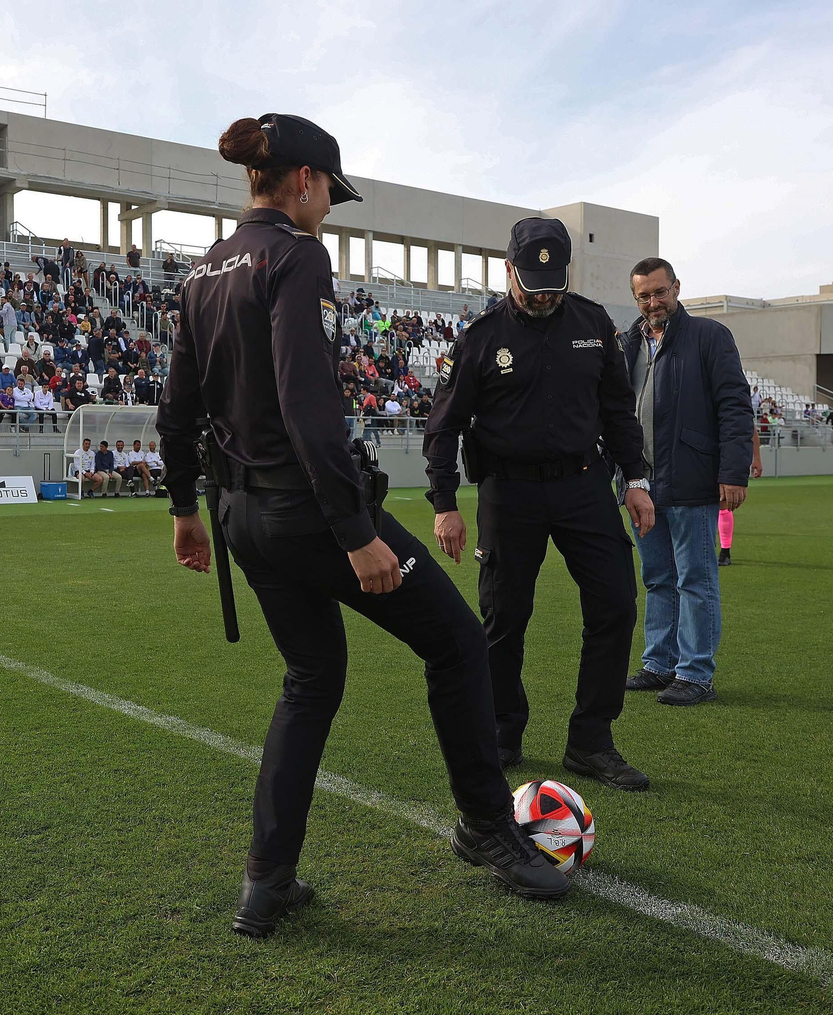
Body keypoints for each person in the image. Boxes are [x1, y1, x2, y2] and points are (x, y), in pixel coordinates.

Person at [158, 114, 565, 941]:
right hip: (308, 512)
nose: (330, 211)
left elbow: (176, 410)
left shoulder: (203, 270)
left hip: (243, 517)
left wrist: (181, 509)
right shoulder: (295, 255)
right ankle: (485, 826)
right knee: (456, 642)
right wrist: (354, 531)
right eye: (329, 194)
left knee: (311, 678)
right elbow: (308, 406)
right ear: (304, 181)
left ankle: (266, 882)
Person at [424, 217, 653, 789]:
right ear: (509, 271)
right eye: (532, 283)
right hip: (509, 491)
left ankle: (591, 738)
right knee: (504, 617)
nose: (544, 295)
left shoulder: (594, 323)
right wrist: (445, 502)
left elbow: (619, 412)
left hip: (584, 484)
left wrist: (637, 479)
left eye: (554, 283)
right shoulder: (481, 337)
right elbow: (443, 424)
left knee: (616, 604)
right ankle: (503, 729)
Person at [620, 258, 753, 706]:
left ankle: (696, 673)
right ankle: (660, 664)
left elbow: (735, 405)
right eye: (644, 296)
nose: (653, 302)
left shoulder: (709, 337)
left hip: (693, 479)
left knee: (695, 580)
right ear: (635, 297)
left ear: (676, 288)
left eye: (660, 292)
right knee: (657, 577)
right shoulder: (626, 343)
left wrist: (733, 472)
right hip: (641, 484)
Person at [718, 429, 764, 566]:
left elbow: (750, 427)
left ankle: (725, 551)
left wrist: (757, 458)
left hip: (724, 455)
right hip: (698, 455)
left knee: (723, 503)